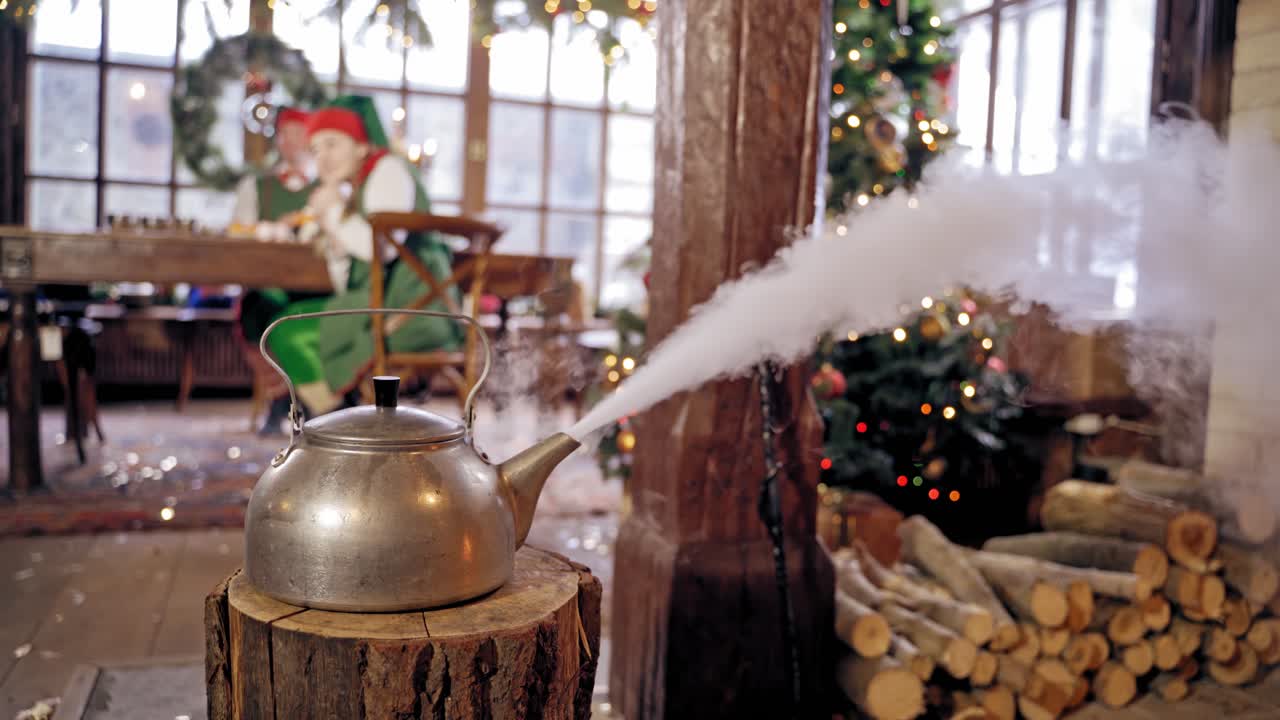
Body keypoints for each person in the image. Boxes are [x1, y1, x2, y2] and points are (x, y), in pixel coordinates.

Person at [261, 95, 462, 425]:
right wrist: (332, 224)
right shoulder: (359, 187)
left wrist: (333, 211)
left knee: (288, 333)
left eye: (331, 144)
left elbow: (380, 249)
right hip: (382, 304)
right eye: (315, 150)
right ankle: (334, 418)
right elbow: (349, 278)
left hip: (415, 312)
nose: (321, 159)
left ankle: (330, 421)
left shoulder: (389, 170)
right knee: (282, 322)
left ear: (361, 145)